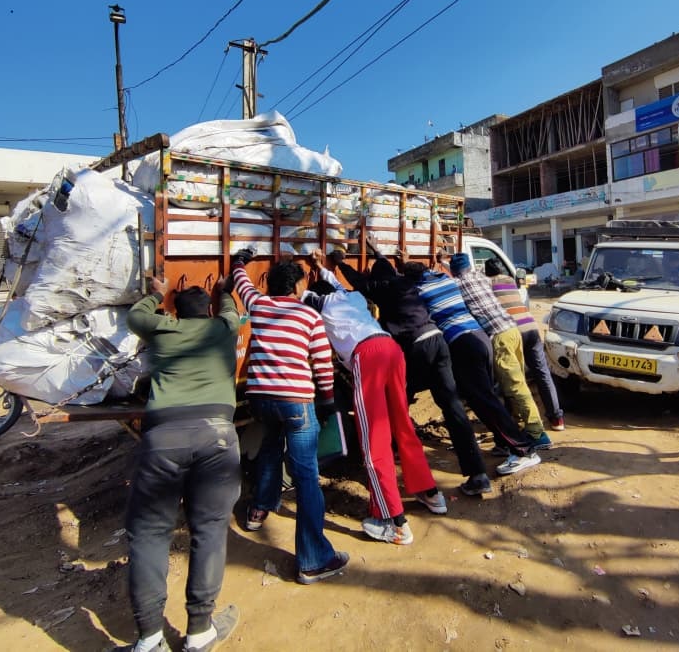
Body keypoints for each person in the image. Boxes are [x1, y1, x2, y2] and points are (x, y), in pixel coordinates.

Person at [121, 277, 242, 652]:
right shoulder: (222, 328)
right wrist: (223, 289)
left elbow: (135, 316)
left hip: (164, 438)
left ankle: (149, 638)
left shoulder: (162, 327)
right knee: (208, 530)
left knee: (149, 534)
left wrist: (158, 290)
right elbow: (232, 308)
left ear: (174, 311)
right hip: (218, 436)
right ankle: (200, 630)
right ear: (206, 311)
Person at [303, 249, 444, 546]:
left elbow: (299, 298)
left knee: (373, 440)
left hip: (366, 358)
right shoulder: (351, 297)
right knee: (402, 425)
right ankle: (430, 492)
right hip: (392, 350)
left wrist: (303, 276)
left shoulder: (316, 302)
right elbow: (335, 284)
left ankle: (392, 520)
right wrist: (322, 268)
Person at [332, 246, 497, 496]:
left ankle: (392, 458)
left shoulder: (379, 288)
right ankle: (478, 473)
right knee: (452, 407)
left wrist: (340, 263)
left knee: (397, 403)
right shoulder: (406, 282)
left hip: (416, 349)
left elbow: (355, 280)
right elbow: (388, 268)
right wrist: (377, 251)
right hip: (438, 342)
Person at [230, 251, 349, 585]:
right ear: (298, 286)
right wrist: (326, 400)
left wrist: (239, 262)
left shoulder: (259, 304)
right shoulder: (308, 316)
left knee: (270, 445)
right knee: (306, 474)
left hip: (260, 400)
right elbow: (323, 363)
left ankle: (258, 510)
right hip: (295, 400)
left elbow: (241, 285)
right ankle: (313, 559)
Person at [403, 252, 542, 478]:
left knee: (484, 400)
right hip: (481, 338)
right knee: (481, 398)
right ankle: (507, 444)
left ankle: (524, 450)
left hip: (463, 343)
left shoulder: (420, 291)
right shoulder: (446, 280)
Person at [446, 253, 550, 450]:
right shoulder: (481, 278)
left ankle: (538, 434)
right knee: (517, 383)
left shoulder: (456, 286)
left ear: (453, 272)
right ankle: (520, 428)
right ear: (469, 266)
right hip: (513, 331)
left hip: (499, 336)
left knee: (514, 387)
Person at [483, 257, 565, 430]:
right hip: (531, 328)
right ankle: (556, 419)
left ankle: (516, 419)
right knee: (542, 373)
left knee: (513, 377)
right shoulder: (510, 281)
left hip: (512, 331)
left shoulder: (486, 285)